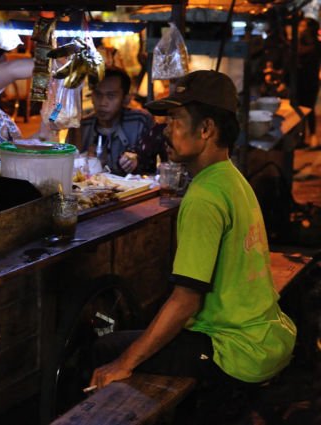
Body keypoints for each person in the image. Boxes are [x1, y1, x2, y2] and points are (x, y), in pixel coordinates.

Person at [89, 71, 296, 418]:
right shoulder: (232, 177)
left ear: (206, 129)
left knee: (106, 350)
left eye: (176, 121)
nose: (166, 130)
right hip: (266, 335)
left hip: (234, 350)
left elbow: (186, 301)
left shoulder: (203, 196)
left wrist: (123, 364)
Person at [66, 67, 163, 176]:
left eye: (111, 96)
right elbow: (69, 165)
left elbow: (150, 164)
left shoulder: (140, 120)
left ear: (126, 99)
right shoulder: (82, 126)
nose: (103, 103)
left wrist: (135, 163)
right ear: (92, 97)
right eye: (98, 94)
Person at [296, 17, 320, 146]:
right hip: (302, 80)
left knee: (307, 109)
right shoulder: (299, 42)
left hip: (309, 80)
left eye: (303, 26)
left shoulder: (313, 45)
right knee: (301, 109)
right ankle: (304, 137)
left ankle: (310, 136)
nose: (301, 28)